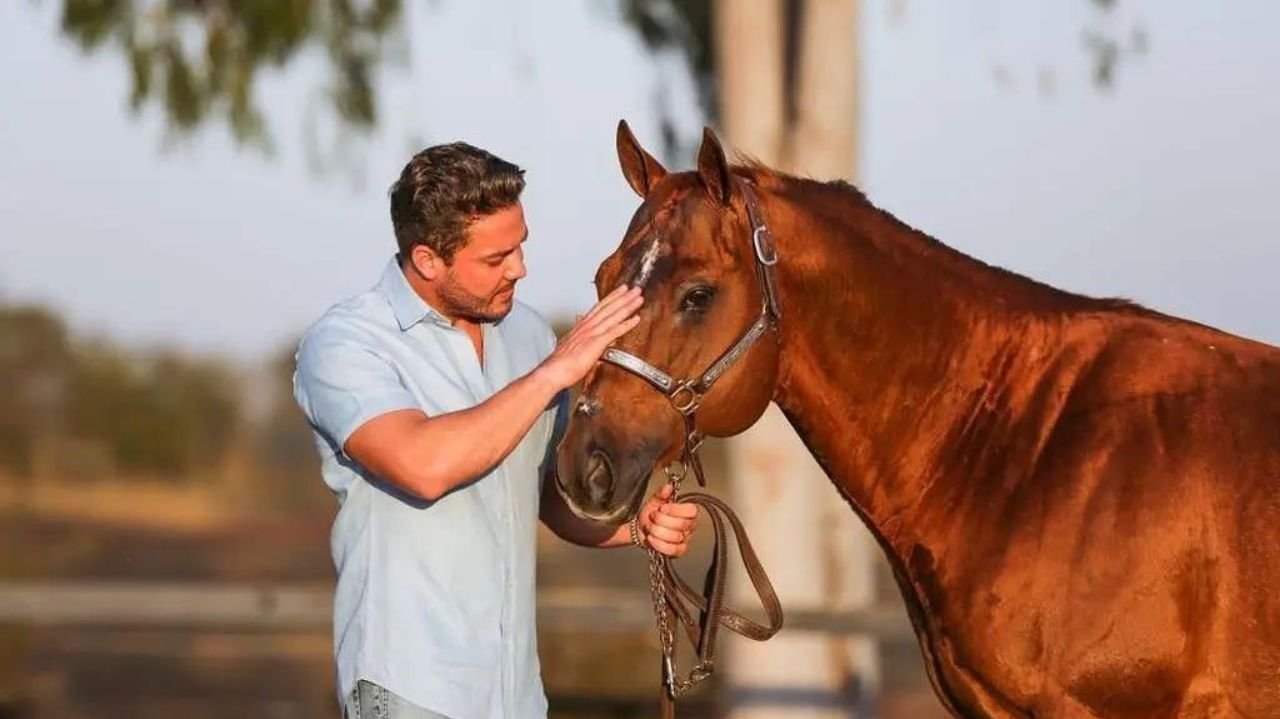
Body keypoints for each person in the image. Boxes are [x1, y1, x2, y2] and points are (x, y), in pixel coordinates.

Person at [293, 142, 699, 719]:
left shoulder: (528, 334)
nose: (520, 269)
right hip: (409, 689)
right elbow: (423, 466)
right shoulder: (346, 344)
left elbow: (546, 500)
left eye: (521, 246)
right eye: (496, 258)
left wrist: (635, 527)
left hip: (517, 694)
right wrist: (556, 371)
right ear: (428, 260)